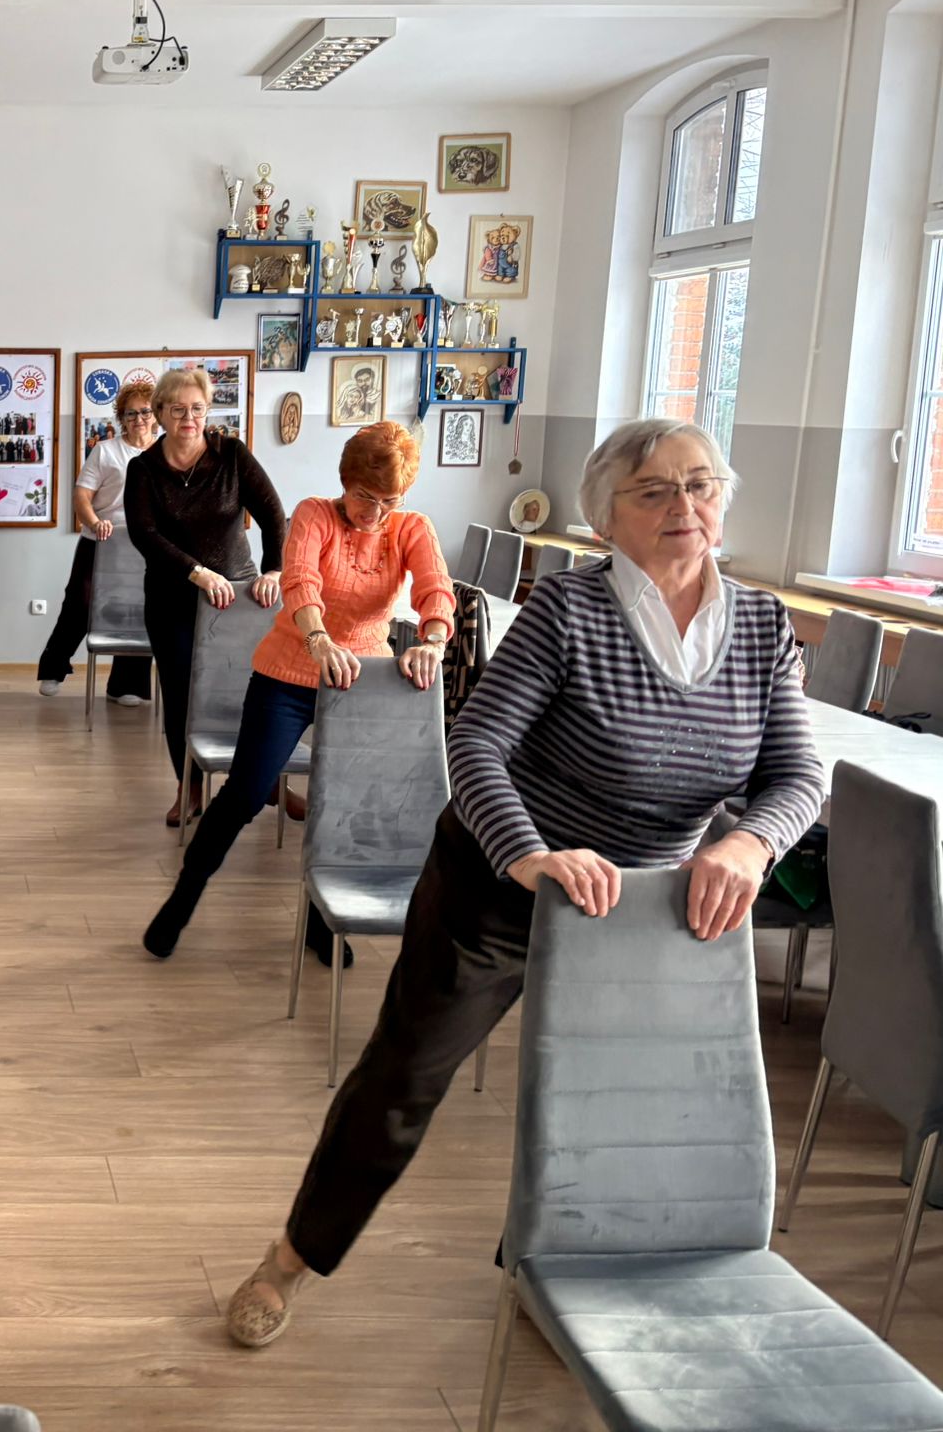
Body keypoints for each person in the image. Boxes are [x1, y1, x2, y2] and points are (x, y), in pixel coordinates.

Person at [222, 419, 829, 1350]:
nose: (685, 504)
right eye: (655, 489)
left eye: (702, 484)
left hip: (641, 905)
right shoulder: (568, 611)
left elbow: (796, 774)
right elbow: (476, 744)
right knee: (404, 1077)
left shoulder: (759, 627)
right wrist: (531, 855)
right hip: (496, 885)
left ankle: (544, 1269)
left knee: (616, 1101)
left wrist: (749, 844)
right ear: (605, 518)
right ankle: (292, 1257)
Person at [141, 421, 456, 965]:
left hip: (363, 681)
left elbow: (435, 589)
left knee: (347, 806)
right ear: (346, 481)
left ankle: (320, 923)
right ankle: (182, 899)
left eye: (389, 501)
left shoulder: (412, 528)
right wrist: (319, 639)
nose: (375, 512)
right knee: (244, 794)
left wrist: (432, 641)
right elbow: (300, 582)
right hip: (288, 672)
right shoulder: (314, 514)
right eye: (365, 496)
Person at [124, 368, 286, 827]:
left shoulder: (231, 455)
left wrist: (274, 570)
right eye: (178, 410)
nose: (189, 418)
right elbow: (144, 534)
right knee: (181, 696)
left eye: (197, 408)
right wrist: (196, 572)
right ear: (160, 414)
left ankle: (266, 781)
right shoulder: (143, 469)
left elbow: (274, 515)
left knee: (252, 690)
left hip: (239, 597)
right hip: (172, 598)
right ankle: (189, 787)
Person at [36, 380, 159, 703]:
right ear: (122, 418)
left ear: (156, 415)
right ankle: (53, 669)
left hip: (145, 547)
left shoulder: (165, 451)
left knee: (137, 610)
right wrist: (94, 522)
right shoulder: (105, 451)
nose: (138, 419)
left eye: (145, 412)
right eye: (131, 413)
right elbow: (81, 497)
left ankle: (126, 686)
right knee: (80, 602)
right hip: (101, 540)